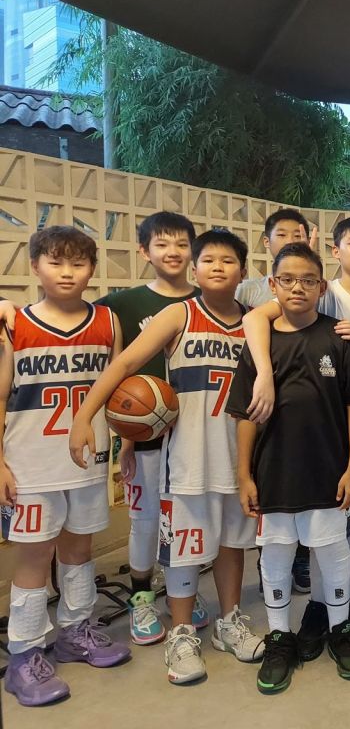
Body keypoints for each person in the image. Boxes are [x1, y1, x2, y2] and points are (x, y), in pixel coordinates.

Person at [70, 230, 264, 686]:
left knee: (232, 546)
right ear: (195, 269)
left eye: (229, 261)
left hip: (240, 455)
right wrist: (84, 416)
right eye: (208, 260)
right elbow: (123, 364)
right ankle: (181, 635)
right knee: (184, 549)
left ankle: (229, 623)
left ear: (243, 270)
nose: (218, 267)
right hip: (189, 456)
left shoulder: (255, 321)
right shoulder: (180, 313)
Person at [243, 215, 350, 651]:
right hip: (328, 435)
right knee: (328, 532)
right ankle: (320, 608)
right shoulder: (322, 291)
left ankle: (349, 602)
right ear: (335, 251)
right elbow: (257, 319)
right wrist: (263, 372)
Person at [226, 242, 350, 692]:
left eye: (308, 280)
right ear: (272, 285)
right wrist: (243, 475)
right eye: (288, 279)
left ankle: (340, 630)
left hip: (327, 470)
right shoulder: (260, 344)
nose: (298, 287)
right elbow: (244, 415)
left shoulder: (338, 338)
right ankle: (280, 637)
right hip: (273, 472)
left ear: (321, 287)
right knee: (275, 554)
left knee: (332, 552)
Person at [0, 226, 130, 707]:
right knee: (34, 558)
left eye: (78, 263)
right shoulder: (14, 324)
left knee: (79, 550)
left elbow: (119, 393)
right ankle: (24, 653)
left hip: (87, 461)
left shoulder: (108, 322)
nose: (68, 272)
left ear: (92, 269)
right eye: (55, 262)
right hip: (30, 463)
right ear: (35, 266)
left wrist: (127, 445)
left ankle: (75, 631)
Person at [94, 211, 202, 645]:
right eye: (162, 243)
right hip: (144, 436)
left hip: (195, 433)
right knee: (145, 520)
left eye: (181, 243)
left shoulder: (206, 301)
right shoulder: (122, 305)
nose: (172, 252)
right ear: (144, 251)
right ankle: (141, 598)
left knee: (187, 518)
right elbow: (71, 313)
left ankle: (182, 593)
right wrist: (124, 437)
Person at [235, 208, 317, 596]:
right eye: (281, 234)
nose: (291, 240)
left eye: (298, 234)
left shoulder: (313, 284)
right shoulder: (251, 290)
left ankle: (301, 558)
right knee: (271, 482)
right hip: (263, 393)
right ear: (266, 243)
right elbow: (251, 323)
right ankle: (271, 560)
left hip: (307, 393)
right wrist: (264, 374)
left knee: (305, 480)